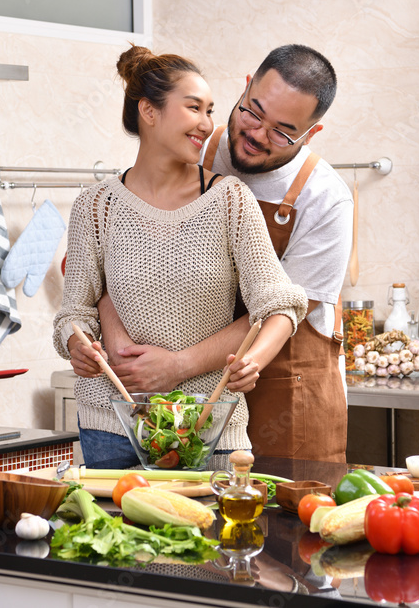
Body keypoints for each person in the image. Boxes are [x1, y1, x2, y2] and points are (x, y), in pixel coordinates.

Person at [76, 44, 350, 463]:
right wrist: (114, 337)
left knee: (277, 515)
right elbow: (121, 265)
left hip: (281, 373)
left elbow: (285, 304)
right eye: (251, 112)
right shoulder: (195, 145)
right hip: (182, 386)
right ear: (244, 90)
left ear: (310, 133)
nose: (256, 134)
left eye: (280, 131)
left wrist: (177, 366)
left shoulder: (326, 199)